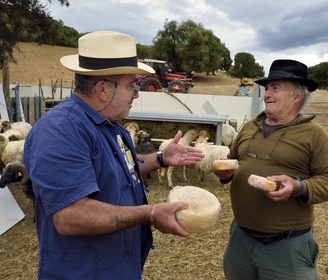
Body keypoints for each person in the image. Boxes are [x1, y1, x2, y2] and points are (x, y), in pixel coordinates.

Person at [23, 31, 204, 279]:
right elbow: (70, 216)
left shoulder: (109, 125)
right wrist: (149, 214)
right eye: (132, 85)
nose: (137, 94)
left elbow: (121, 168)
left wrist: (161, 158)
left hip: (116, 267)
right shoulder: (60, 130)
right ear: (103, 89)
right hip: (83, 273)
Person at [213, 59, 328, 279]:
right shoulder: (249, 127)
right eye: (267, 88)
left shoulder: (315, 135)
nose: (266, 94)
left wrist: (298, 186)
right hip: (240, 241)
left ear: (297, 95)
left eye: (275, 88)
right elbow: (233, 161)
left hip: (287, 247)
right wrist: (225, 175)